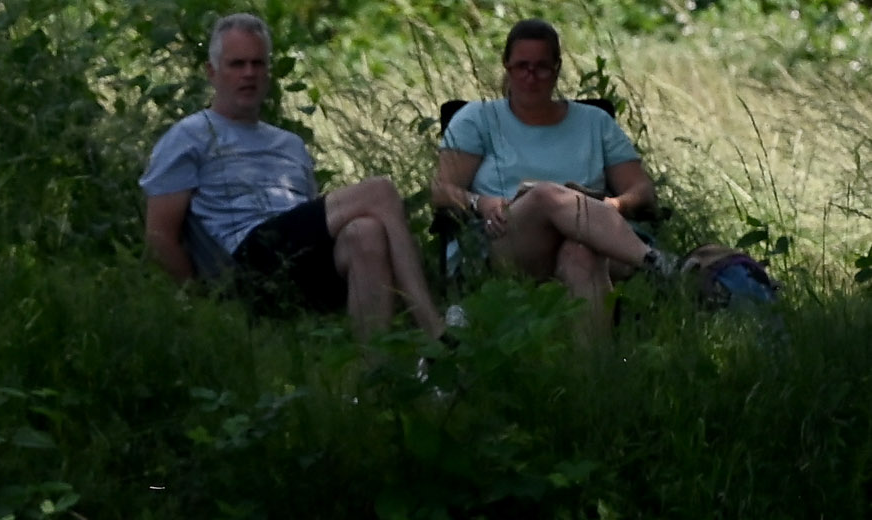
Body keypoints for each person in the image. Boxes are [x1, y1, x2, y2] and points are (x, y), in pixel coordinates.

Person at [142, 13, 445, 339]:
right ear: (212, 73)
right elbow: (160, 236)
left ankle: (372, 377)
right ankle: (433, 329)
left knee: (365, 232)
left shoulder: (290, 144)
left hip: (297, 262)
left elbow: (308, 219)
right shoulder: (189, 135)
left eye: (258, 64)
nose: (249, 74)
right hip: (245, 260)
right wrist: (202, 302)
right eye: (237, 64)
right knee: (380, 191)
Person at [430, 19, 673, 336]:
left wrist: (613, 205)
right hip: (510, 240)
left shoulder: (594, 122)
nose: (531, 77)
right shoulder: (478, 118)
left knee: (580, 254)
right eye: (521, 67)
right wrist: (481, 201)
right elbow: (441, 190)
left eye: (542, 68)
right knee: (544, 195)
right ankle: (660, 266)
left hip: (596, 240)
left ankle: (592, 373)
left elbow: (641, 189)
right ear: (507, 67)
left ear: (557, 69)